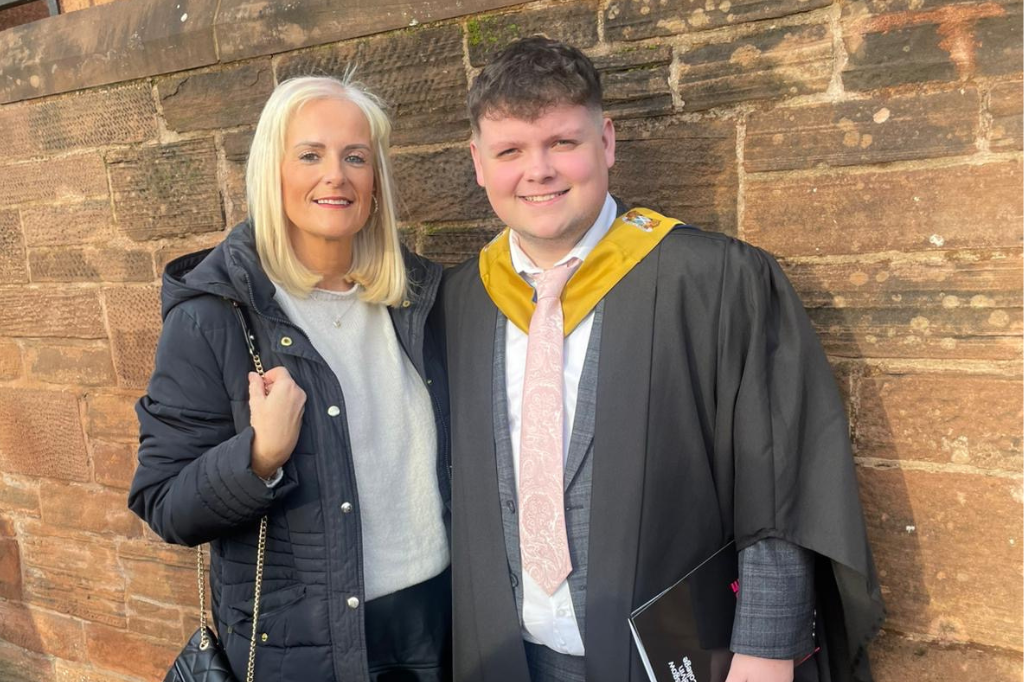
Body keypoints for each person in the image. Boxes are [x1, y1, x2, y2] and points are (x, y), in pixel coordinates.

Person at [442, 37, 884, 682]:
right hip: (509, 656)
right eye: (510, 151)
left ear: (606, 142)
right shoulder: (460, 300)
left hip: (682, 660)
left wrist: (766, 650)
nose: (538, 170)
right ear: (479, 163)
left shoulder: (716, 281)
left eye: (563, 142)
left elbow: (780, 477)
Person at [128, 76, 451, 682]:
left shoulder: (421, 300)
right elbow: (163, 502)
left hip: (437, 625)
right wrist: (258, 458)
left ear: (376, 180)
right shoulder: (214, 317)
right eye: (310, 155)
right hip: (307, 648)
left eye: (355, 157)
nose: (336, 176)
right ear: (271, 173)